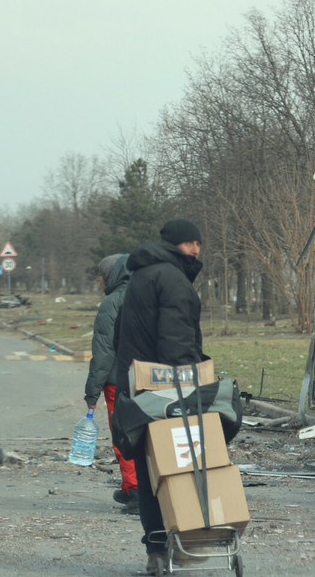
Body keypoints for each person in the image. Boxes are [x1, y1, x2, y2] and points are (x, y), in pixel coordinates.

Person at [114, 219, 208, 574]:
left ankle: (155, 549)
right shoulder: (171, 279)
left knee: (149, 469)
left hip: (137, 390)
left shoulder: (139, 276)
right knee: (180, 468)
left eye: (199, 243)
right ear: (173, 245)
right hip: (167, 392)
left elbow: (119, 334)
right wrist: (189, 385)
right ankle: (183, 542)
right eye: (190, 243)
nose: (196, 249)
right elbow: (177, 339)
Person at [83, 253, 136, 513]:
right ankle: (140, 489)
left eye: (101, 276)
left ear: (113, 276)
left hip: (118, 381)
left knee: (123, 435)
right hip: (150, 377)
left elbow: (104, 353)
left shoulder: (111, 303)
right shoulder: (147, 295)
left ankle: (134, 489)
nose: (99, 280)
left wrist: (91, 392)